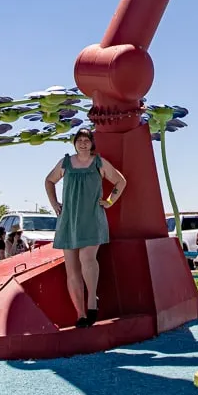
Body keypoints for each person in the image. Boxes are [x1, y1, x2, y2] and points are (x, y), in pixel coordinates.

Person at [46, 127, 126, 328]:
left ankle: (92, 301)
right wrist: (54, 204)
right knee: (71, 269)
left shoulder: (99, 162)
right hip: (68, 221)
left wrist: (109, 201)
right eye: (79, 140)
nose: (83, 143)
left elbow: (120, 181)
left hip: (92, 219)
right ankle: (81, 314)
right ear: (74, 142)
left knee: (87, 258)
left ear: (92, 144)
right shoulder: (65, 163)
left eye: (87, 140)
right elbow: (49, 181)